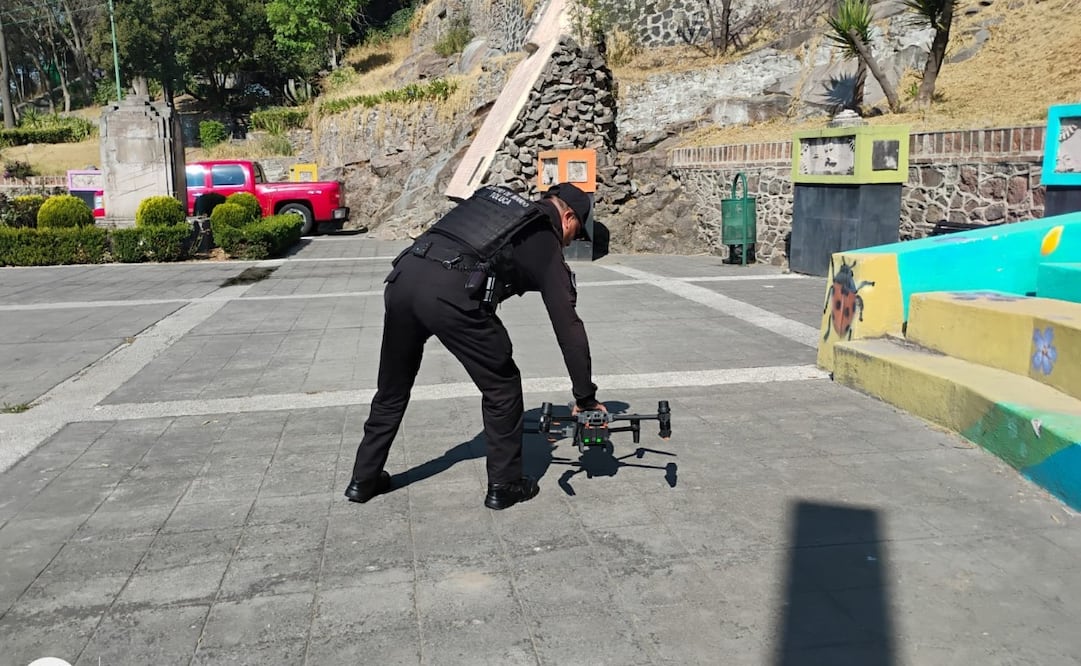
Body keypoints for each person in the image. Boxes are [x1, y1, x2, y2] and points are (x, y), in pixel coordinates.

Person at [344, 181, 606, 510]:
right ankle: (505, 485)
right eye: (576, 233)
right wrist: (586, 397)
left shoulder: (499, 208)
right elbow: (568, 325)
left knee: (391, 389)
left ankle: (363, 479)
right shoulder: (542, 236)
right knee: (502, 387)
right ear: (568, 217)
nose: (570, 243)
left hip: (403, 279)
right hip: (451, 294)